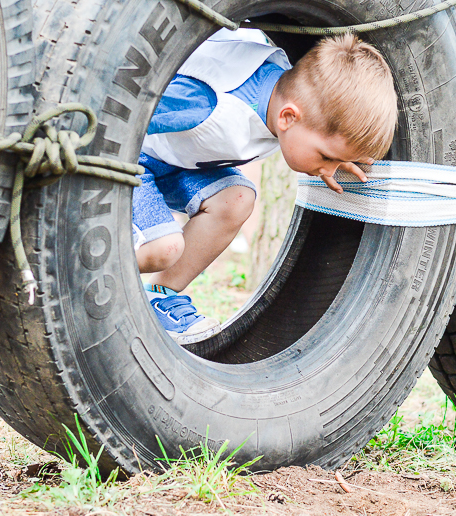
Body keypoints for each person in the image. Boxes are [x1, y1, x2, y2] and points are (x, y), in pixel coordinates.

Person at [135, 30, 397, 344]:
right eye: (327, 157)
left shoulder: (290, 102)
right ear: (288, 118)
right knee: (164, 248)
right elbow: (123, 114)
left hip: (176, 161)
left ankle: (160, 296)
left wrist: (338, 157)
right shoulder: (208, 101)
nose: (329, 170)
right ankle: (77, 277)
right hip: (132, 159)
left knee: (238, 198)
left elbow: (316, 131)